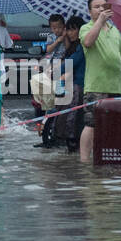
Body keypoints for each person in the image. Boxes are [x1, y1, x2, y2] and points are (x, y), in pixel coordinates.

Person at [78, 0, 121, 164]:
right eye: (96, 7)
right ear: (90, 11)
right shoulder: (86, 28)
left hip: (116, 86)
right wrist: (100, 22)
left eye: (104, 6)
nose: (101, 9)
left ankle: (110, 156)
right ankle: (85, 160)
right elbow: (87, 42)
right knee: (92, 123)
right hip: (96, 85)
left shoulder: (114, 30)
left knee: (116, 125)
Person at [52, 16, 87, 150]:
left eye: (74, 30)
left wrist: (56, 70)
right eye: (68, 30)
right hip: (68, 85)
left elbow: (70, 63)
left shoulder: (82, 47)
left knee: (71, 120)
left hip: (77, 86)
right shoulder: (73, 46)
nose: (70, 33)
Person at [30, 15, 67, 116]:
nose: (57, 30)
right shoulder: (51, 36)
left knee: (59, 80)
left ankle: (59, 97)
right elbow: (48, 49)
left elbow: (68, 48)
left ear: (64, 26)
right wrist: (58, 41)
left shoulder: (67, 35)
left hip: (63, 61)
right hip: (52, 62)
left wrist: (64, 38)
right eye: (54, 28)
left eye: (59, 27)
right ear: (51, 28)